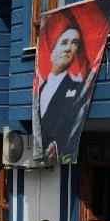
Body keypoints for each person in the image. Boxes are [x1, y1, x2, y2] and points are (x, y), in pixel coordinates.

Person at [37, 25, 87, 163]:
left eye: (75, 43)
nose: (68, 48)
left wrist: (56, 146)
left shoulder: (78, 90)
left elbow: (73, 128)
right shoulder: (39, 89)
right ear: (52, 53)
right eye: (64, 42)